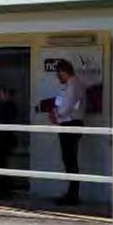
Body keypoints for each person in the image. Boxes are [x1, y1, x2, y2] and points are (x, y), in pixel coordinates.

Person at [47, 59, 87, 205]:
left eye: (59, 73)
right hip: (69, 123)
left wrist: (55, 114)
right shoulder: (71, 85)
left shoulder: (73, 85)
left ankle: (73, 195)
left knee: (70, 159)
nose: (58, 76)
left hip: (71, 123)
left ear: (64, 71)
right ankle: (71, 193)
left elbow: (67, 106)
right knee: (69, 159)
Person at [0, 86, 19, 199]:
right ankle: (3, 189)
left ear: (6, 94)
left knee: (3, 164)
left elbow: (6, 121)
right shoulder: (8, 106)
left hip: (5, 139)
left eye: (1, 93)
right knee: (2, 164)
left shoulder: (10, 106)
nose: (0, 96)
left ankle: (5, 190)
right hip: (2, 139)